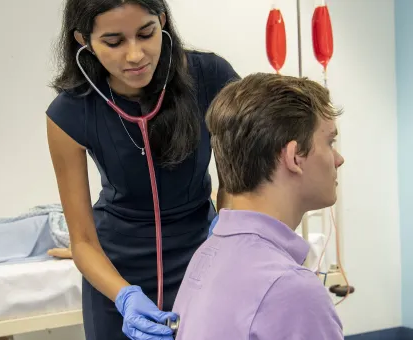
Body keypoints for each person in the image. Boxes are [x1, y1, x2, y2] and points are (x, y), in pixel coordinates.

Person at [44, 0, 239, 339]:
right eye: (114, 41)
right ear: (84, 41)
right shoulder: (68, 113)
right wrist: (125, 296)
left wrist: (228, 231)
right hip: (115, 273)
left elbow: (237, 181)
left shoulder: (211, 78)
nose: (135, 55)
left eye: (146, 33)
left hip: (201, 260)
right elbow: (84, 241)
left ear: (162, 21)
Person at [172, 72, 345, 339]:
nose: (339, 159)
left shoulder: (206, 255)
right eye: (330, 142)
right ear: (294, 157)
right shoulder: (290, 288)